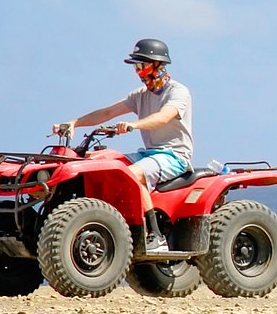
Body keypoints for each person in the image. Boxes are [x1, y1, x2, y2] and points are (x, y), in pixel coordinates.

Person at [53, 38, 193, 255]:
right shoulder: (140, 95)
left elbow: (164, 117)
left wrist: (132, 125)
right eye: (135, 66)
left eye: (141, 65)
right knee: (101, 166)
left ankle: (155, 235)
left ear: (157, 65)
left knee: (130, 175)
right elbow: (108, 112)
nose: (137, 71)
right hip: (148, 154)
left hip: (174, 156)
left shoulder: (178, 92)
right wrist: (75, 122)